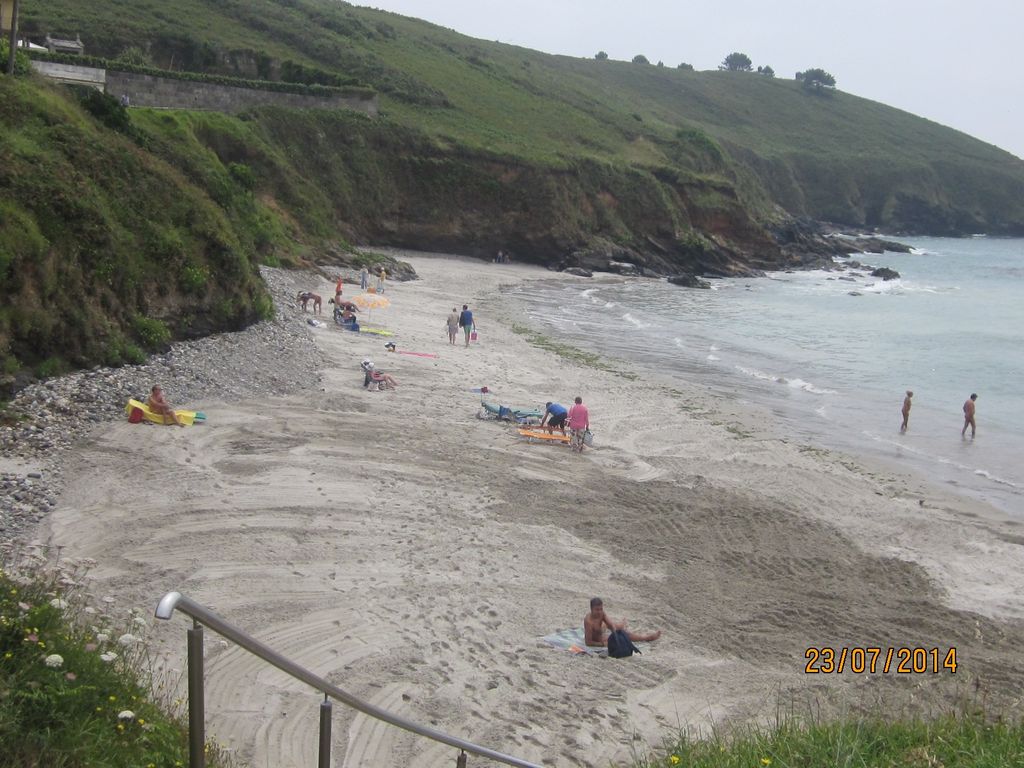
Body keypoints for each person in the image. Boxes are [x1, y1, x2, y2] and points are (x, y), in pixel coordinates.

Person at [584, 598, 660, 648]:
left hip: (600, 630)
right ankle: (647, 638)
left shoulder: (601, 614)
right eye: (597, 610)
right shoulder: (588, 622)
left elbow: (610, 624)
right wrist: (603, 644)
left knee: (615, 628)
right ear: (591, 609)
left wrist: (615, 633)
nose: (599, 612)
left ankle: (622, 624)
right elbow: (588, 642)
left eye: (601, 609)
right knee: (627, 635)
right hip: (598, 639)